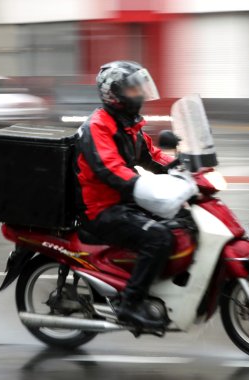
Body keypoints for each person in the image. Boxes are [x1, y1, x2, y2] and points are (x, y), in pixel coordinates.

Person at [74, 61, 176, 329]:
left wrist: (183, 167)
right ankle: (130, 304)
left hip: (123, 202)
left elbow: (152, 156)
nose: (139, 94)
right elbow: (109, 169)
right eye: (132, 90)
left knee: (180, 221)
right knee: (158, 237)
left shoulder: (128, 125)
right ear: (113, 94)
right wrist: (144, 186)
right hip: (101, 210)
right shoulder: (98, 126)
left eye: (139, 88)